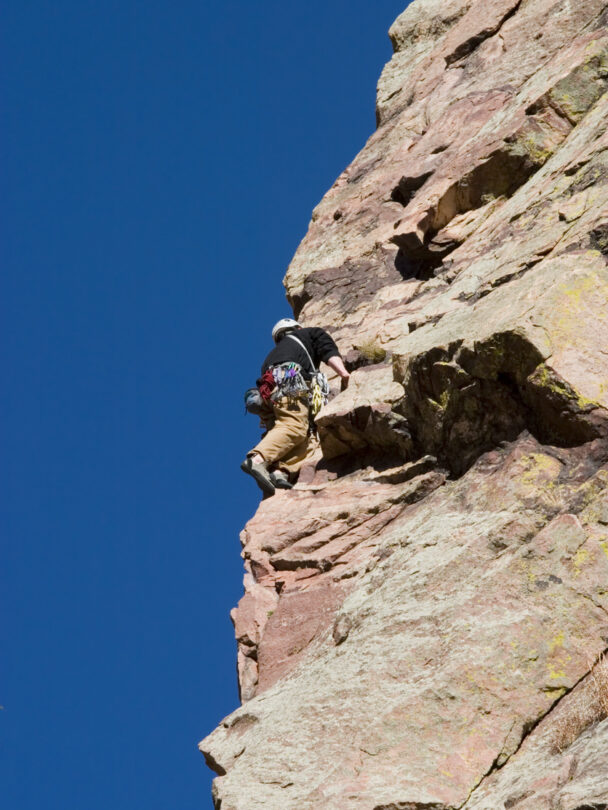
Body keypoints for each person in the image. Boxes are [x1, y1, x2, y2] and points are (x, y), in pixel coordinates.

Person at [241, 318, 350, 496]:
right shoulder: (310, 333)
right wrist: (344, 374)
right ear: (298, 328)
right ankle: (257, 459)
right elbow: (328, 351)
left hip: (271, 397)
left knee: (306, 435)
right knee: (294, 426)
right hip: (290, 383)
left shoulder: (271, 356)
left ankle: (280, 472)